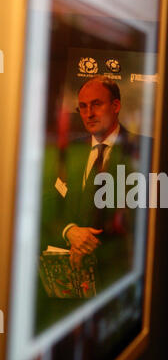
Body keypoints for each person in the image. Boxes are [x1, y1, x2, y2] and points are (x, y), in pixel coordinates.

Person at [57, 75, 140, 287]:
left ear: (116, 106)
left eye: (96, 105)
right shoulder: (70, 152)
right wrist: (70, 231)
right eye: (82, 107)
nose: (88, 114)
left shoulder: (146, 150)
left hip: (121, 283)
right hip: (71, 286)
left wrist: (89, 244)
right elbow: (49, 204)